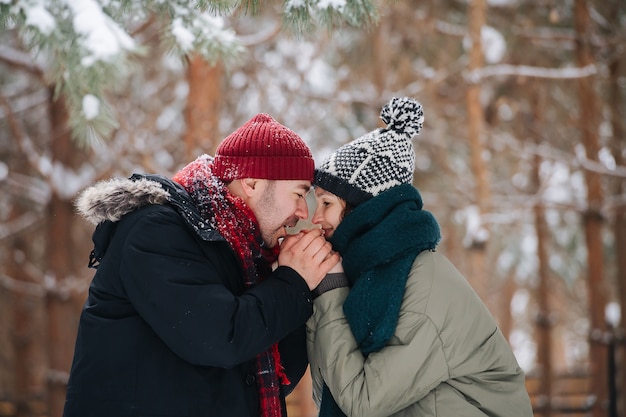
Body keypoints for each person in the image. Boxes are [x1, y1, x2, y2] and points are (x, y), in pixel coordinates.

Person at [63, 113, 340, 417]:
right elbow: (219, 339)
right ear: (251, 182)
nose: (303, 211)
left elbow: (270, 376)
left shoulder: (246, 255)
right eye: (299, 193)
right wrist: (293, 281)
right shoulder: (155, 231)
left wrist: (300, 284)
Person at [306, 97, 534, 417]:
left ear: (364, 208)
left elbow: (363, 402)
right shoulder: (363, 277)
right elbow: (330, 390)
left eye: (327, 203)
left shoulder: (423, 285)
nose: (316, 218)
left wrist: (329, 292)